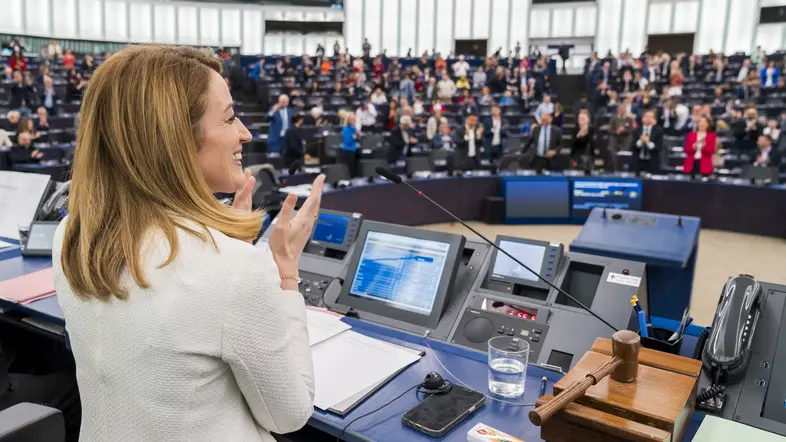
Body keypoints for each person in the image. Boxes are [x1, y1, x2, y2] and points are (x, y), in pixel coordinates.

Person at [54, 46, 324, 442]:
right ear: (177, 138)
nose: (245, 133)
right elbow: (290, 415)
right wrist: (285, 270)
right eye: (230, 117)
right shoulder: (235, 268)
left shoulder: (71, 237)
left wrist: (219, 241)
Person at [631, 109, 664, 176]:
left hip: (652, 161)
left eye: (650, 117)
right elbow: (632, 145)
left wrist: (648, 142)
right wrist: (640, 141)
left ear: (654, 119)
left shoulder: (658, 130)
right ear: (642, 118)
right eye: (646, 116)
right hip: (638, 161)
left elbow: (659, 147)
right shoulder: (637, 130)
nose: (648, 119)